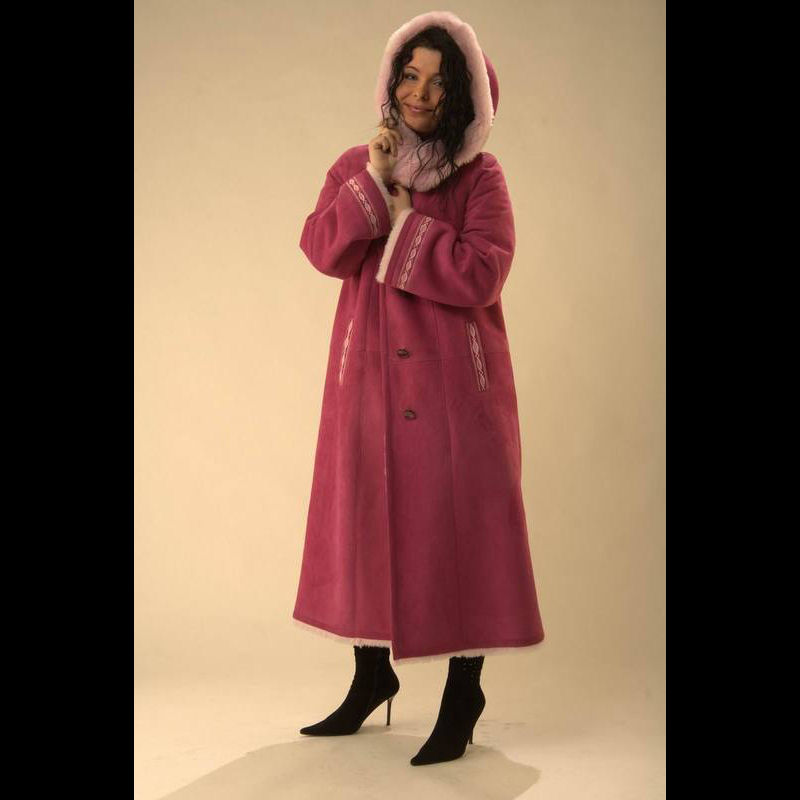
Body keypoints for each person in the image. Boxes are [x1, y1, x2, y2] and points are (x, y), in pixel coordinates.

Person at [292, 11, 545, 766]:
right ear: (391, 80)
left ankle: (464, 694)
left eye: (439, 81)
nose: (420, 93)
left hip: (456, 392)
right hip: (368, 384)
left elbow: (484, 272)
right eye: (410, 74)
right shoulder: (358, 163)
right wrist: (374, 184)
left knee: (468, 531)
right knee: (367, 520)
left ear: (464, 97)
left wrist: (408, 226)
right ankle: (371, 676)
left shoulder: (481, 178)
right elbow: (321, 248)